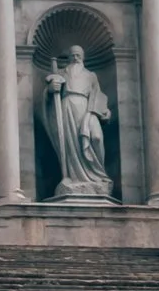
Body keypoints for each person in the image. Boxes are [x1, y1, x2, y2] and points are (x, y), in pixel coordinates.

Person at [43, 46, 113, 198]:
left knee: (96, 137)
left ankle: (98, 175)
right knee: (70, 143)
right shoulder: (61, 73)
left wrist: (105, 111)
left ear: (83, 57)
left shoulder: (90, 75)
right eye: (73, 55)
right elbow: (47, 98)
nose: (75, 58)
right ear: (68, 57)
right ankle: (73, 177)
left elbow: (98, 95)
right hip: (67, 106)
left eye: (78, 55)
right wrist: (50, 89)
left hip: (87, 109)